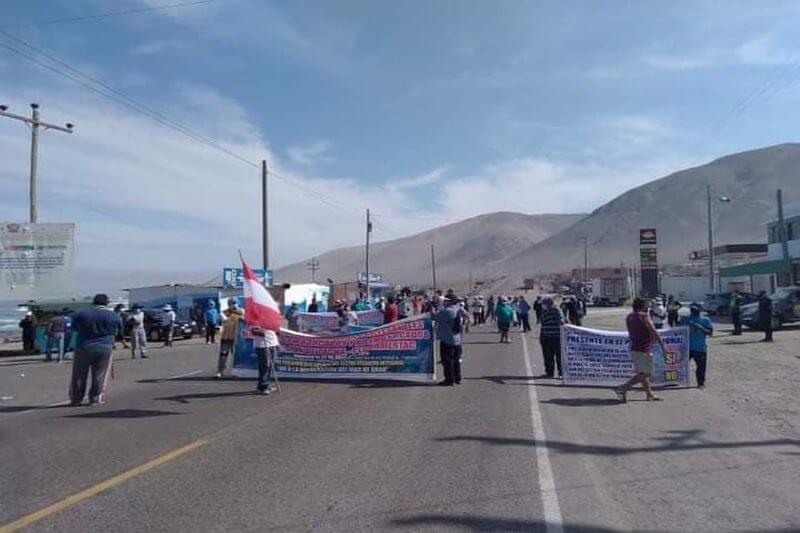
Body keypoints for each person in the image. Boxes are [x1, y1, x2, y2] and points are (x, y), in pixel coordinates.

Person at [68, 294, 122, 406]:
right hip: (104, 346)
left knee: (79, 374)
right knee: (100, 373)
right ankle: (95, 398)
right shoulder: (113, 316)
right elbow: (119, 330)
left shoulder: (82, 314)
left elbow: (73, 327)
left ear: (94, 302)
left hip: (83, 346)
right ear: (106, 303)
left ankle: (76, 398)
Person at [614, 297, 669, 402]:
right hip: (644, 348)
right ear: (643, 306)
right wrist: (663, 346)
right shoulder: (644, 316)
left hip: (634, 346)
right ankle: (623, 387)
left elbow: (630, 332)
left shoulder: (629, 316)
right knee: (647, 373)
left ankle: (649, 394)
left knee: (642, 372)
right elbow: (653, 330)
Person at [435, 295, 469, 386]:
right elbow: (467, 316)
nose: (444, 302)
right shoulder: (459, 309)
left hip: (447, 339)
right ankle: (458, 378)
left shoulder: (446, 311)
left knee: (447, 361)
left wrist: (438, 307)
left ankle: (449, 380)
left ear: (449, 301)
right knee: (456, 360)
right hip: (457, 339)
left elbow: (435, 317)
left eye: (445, 301)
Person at [681, 303, 713, 389]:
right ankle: (676, 380)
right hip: (687, 347)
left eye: (695, 309)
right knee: (680, 365)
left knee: (701, 367)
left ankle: (701, 383)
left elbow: (710, 333)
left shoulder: (705, 320)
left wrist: (700, 327)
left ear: (700, 310)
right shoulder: (685, 319)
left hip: (700, 348)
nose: (693, 311)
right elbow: (678, 331)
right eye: (692, 309)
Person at [217, 298, 244, 379]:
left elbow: (246, 319)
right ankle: (220, 372)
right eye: (232, 303)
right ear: (228, 304)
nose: (233, 304)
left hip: (237, 338)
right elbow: (224, 321)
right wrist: (230, 313)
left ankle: (236, 372)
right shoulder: (224, 312)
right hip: (226, 337)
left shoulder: (242, 311)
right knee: (223, 355)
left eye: (235, 303)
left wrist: (240, 315)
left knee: (236, 356)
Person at [538, 297, 565, 378]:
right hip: (546, 337)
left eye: (543, 304)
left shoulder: (556, 310)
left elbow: (561, 321)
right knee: (547, 357)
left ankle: (561, 373)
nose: (542, 306)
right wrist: (541, 336)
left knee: (559, 356)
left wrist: (557, 320)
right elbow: (543, 325)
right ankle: (549, 373)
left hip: (556, 337)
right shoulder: (543, 311)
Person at [252, 326, 279, 395]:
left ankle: (264, 386)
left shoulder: (271, 318)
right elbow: (253, 331)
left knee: (270, 366)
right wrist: (259, 332)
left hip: (273, 343)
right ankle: (263, 387)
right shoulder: (255, 319)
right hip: (263, 345)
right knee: (265, 366)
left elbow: (276, 329)